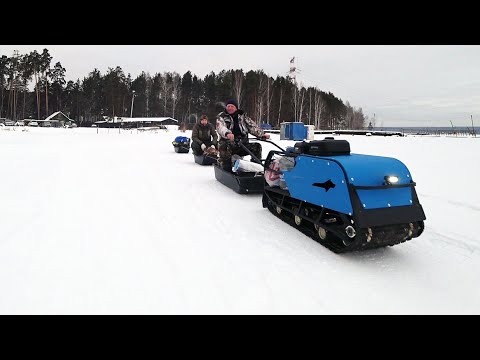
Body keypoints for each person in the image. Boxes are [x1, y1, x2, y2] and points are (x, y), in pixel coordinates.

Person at [216, 99, 270, 171]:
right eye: (228, 106)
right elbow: (220, 127)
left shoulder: (243, 116)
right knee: (226, 147)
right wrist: (227, 133)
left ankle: (256, 168)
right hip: (227, 144)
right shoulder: (221, 116)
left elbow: (252, 126)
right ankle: (226, 168)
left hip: (242, 144)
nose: (230, 108)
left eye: (232, 106)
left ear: (236, 108)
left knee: (257, 147)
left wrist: (262, 134)